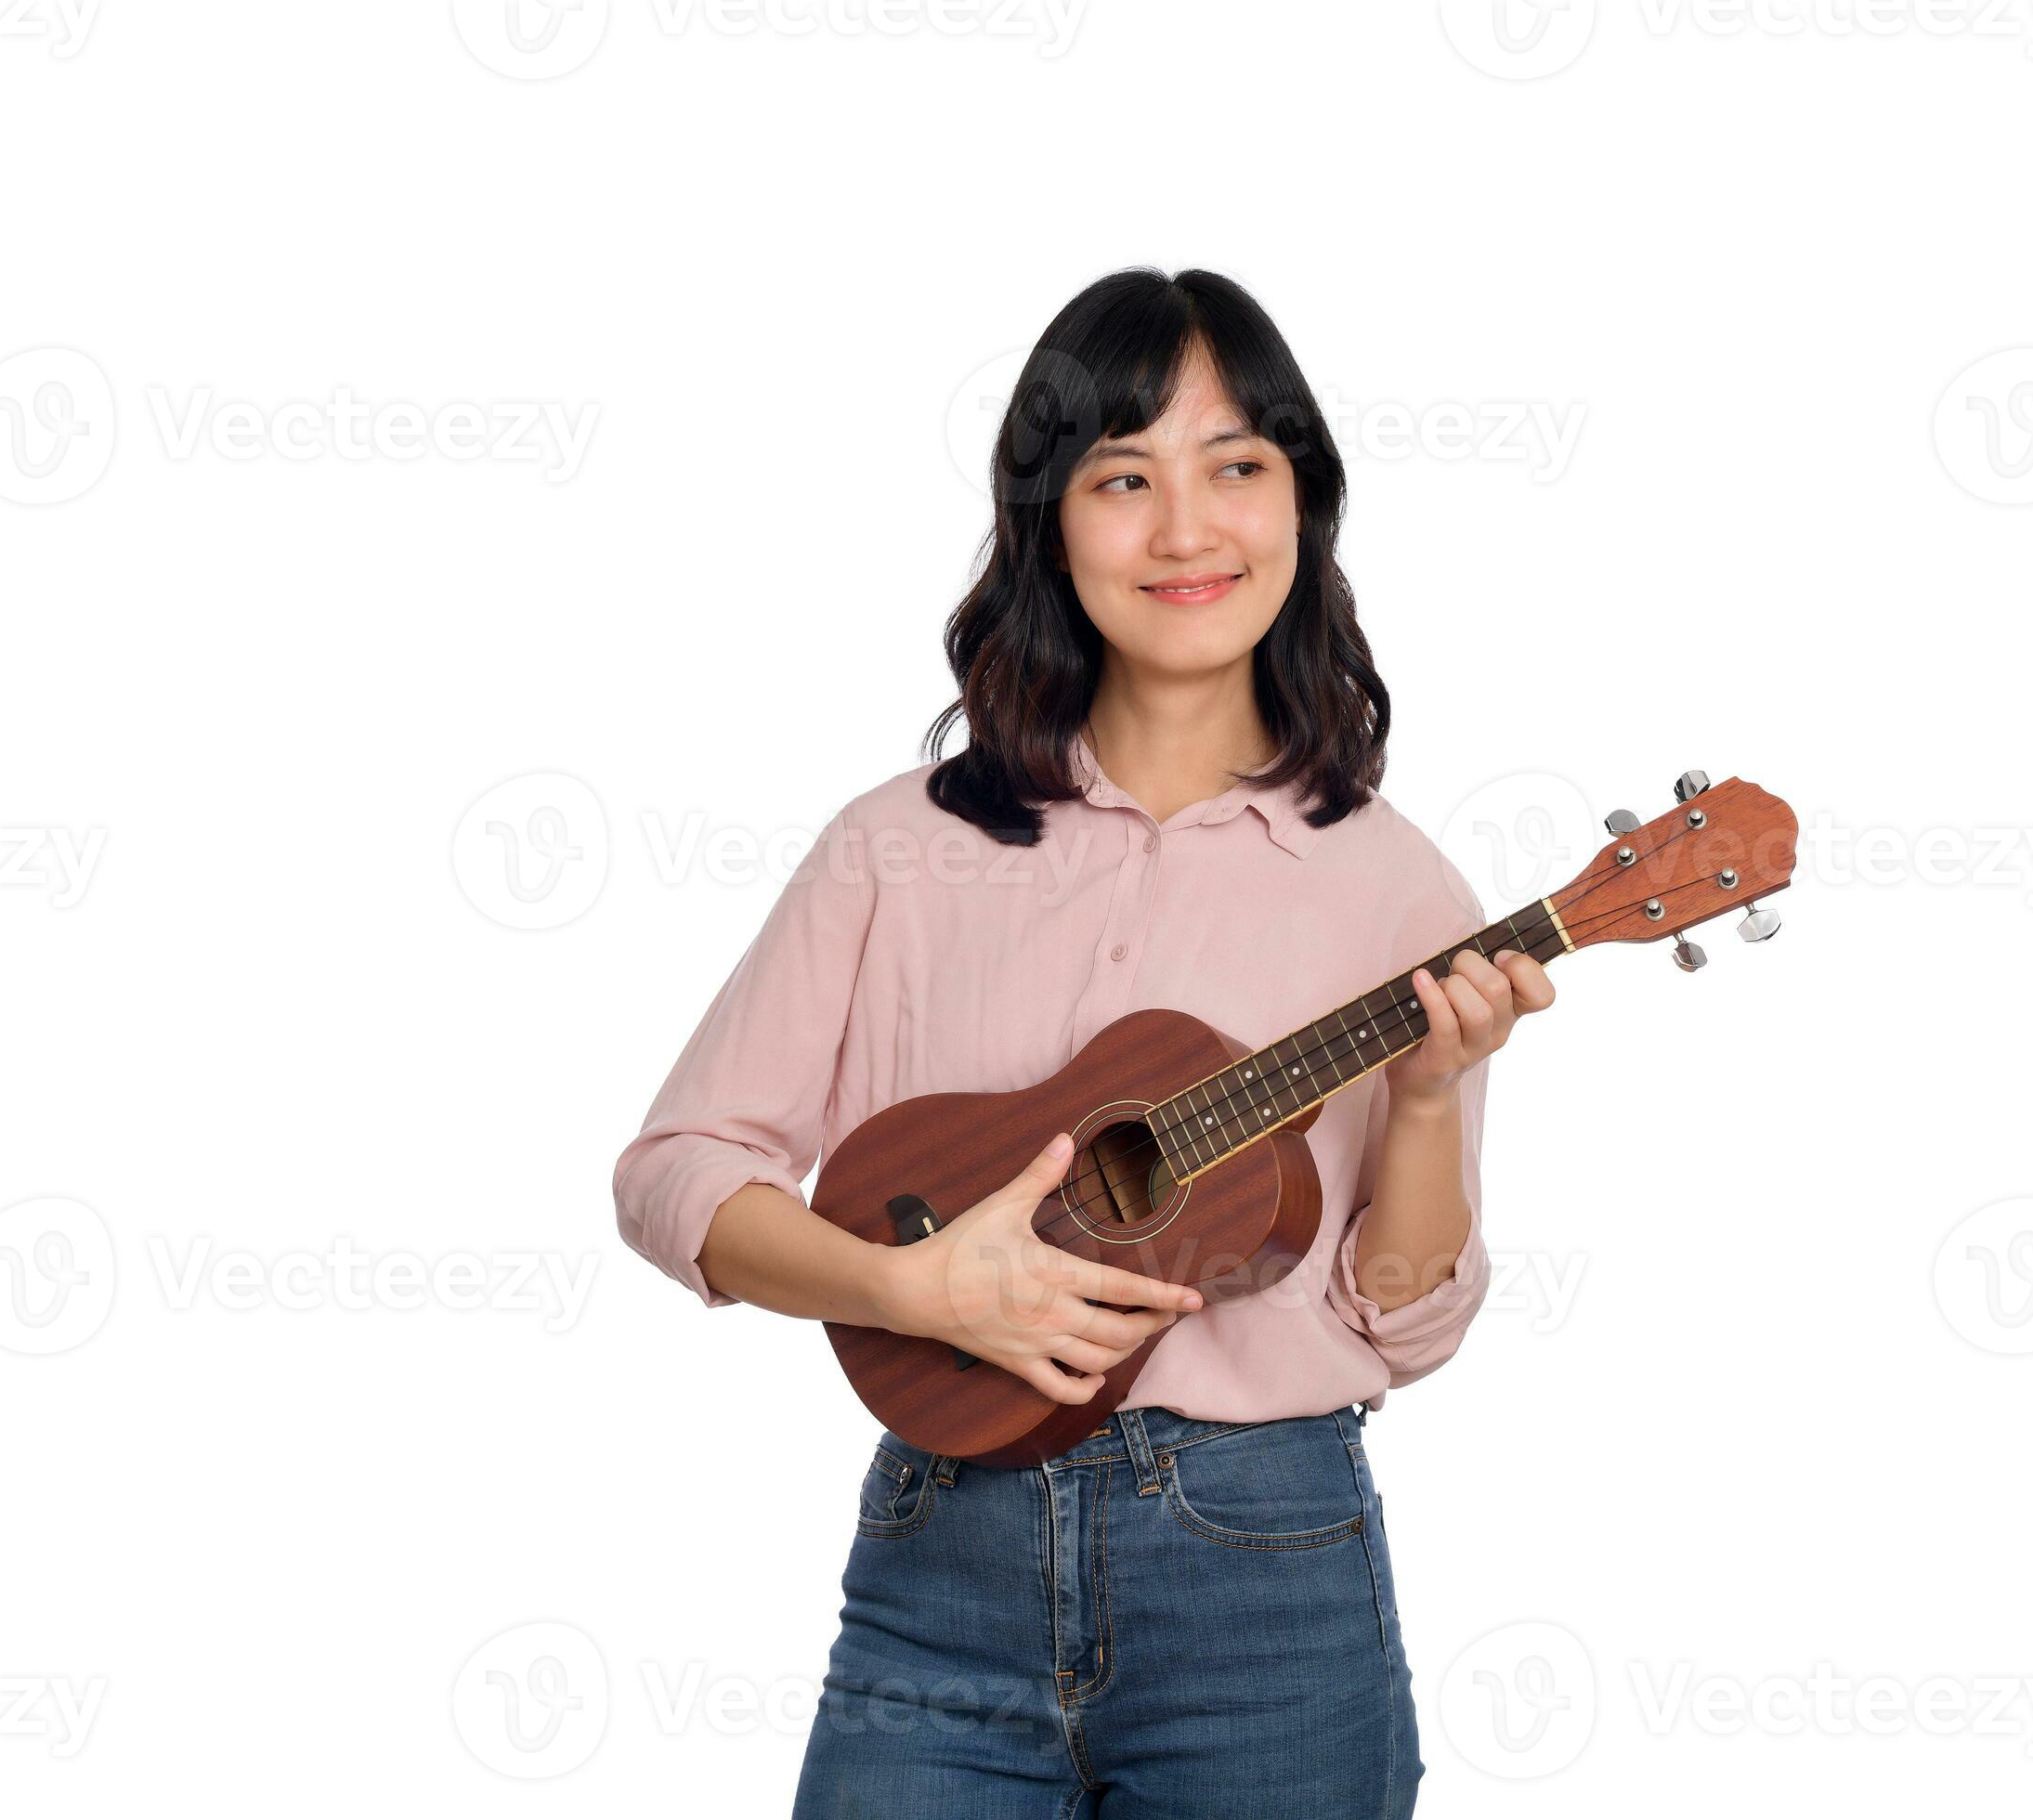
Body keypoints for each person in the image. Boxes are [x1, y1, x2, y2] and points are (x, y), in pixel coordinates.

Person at [614, 266, 1553, 1817]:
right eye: (1126, 478)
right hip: (941, 1571)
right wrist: (902, 1287)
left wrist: (1434, 1096)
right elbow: (676, 1175)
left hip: (1269, 1580)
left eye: (1237, 467)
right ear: (1051, 520)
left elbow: (1403, 1327)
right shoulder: (896, 848)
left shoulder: (1398, 888)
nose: (1188, 532)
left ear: (1303, 507)